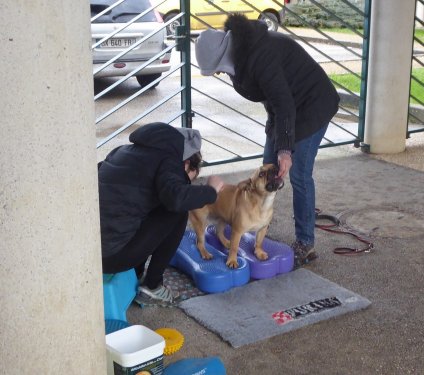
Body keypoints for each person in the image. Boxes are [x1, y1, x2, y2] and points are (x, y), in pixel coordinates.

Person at [194, 14, 340, 267]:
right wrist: (274, 131)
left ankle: (305, 243)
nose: (218, 72)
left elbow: (284, 102)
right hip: (286, 107)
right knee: (267, 168)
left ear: (223, 56)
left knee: (298, 174)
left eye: (217, 68)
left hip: (313, 105)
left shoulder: (261, 55)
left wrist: (285, 149)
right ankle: (255, 224)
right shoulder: (240, 56)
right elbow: (271, 97)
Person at [98, 122, 224, 307]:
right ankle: (152, 285)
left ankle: (137, 272)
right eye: (188, 178)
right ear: (186, 163)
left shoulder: (122, 151)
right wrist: (211, 191)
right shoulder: (168, 161)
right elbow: (177, 198)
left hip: (91, 250)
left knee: (149, 208)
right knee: (177, 212)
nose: (184, 184)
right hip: (111, 256)